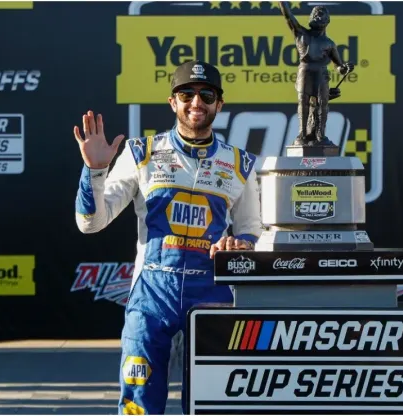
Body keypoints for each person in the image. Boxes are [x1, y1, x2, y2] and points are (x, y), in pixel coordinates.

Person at [72, 60, 263, 415]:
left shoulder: (241, 164)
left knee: (212, 403)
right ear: (172, 102)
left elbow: (254, 228)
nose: (196, 102)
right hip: (151, 296)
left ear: (219, 104)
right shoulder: (141, 153)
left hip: (212, 296)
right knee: (138, 404)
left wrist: (243, 244)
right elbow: (91, 223)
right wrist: (94, 171)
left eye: (207, 94)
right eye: (186, 93)